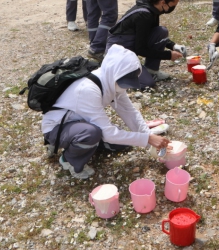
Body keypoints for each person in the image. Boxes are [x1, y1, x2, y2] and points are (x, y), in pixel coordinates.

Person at [41, 45, 170, 179]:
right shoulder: (88, 89)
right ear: (113, 72)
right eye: (124, 81)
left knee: (120, 144)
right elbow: (108, 134)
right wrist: (147, 138)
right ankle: (69, 160)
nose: (126, 86)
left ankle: (78, 143)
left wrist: (148, 137)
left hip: (80, 121)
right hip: (56, 127)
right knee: (91, 134)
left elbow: (129, 112)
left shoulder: (111, 81)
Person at [107, 0, 185, 87]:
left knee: (161, 31)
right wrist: (169, 55)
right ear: (163, 2)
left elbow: (152, 33)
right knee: (147, 83)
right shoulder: (144, 15)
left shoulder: (154, 8)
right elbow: (141, 49)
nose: (173, 8)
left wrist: (173, 46)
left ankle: (151, 70)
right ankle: (118, 75)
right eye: (172, 5)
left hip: (131, 47)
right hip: (119, 53)